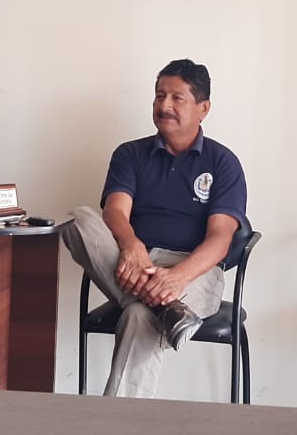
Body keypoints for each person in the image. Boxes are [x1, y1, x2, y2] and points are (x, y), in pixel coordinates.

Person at [62, 59, 247, 398]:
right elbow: (115, 211)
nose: (164, 105)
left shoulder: (223, 163)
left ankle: (118, 420)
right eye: (160, 95)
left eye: (177, 98)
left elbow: (221, 239)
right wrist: (131, 245)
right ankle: (169, 310)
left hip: (195, 271)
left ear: (203, 108)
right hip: (133, 258)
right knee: (78, 221)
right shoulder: (130, 154)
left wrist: (176, 277)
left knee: (138, 314)